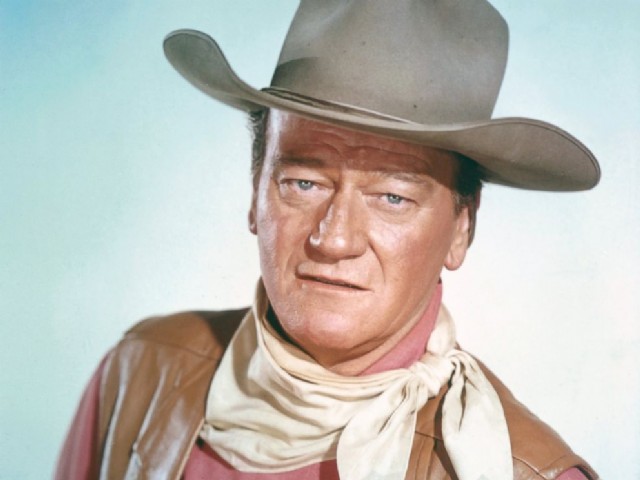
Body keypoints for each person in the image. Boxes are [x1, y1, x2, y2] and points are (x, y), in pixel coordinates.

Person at [56, 1, 601, 479]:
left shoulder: (514, 471)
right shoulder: (137, 376)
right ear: (255, 191)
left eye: (392, 197)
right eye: (303, 183)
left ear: (462, 228)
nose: (334, 240)